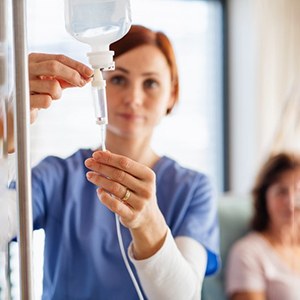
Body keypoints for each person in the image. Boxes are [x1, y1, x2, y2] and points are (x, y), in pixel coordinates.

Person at [3, 25, 220, 299]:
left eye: (151, 83)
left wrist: (147, 222)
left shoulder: (192, 189)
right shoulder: (57, 175)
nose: (133, 98)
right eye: (119, 80)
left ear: (172, 94)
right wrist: (5, 131)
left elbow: (184, 295)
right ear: (100, 83)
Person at [226, 152, 300, 300]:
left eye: (298, 191)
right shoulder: (248, 253)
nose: (291, 203)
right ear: (264, 197)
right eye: (281, 192)